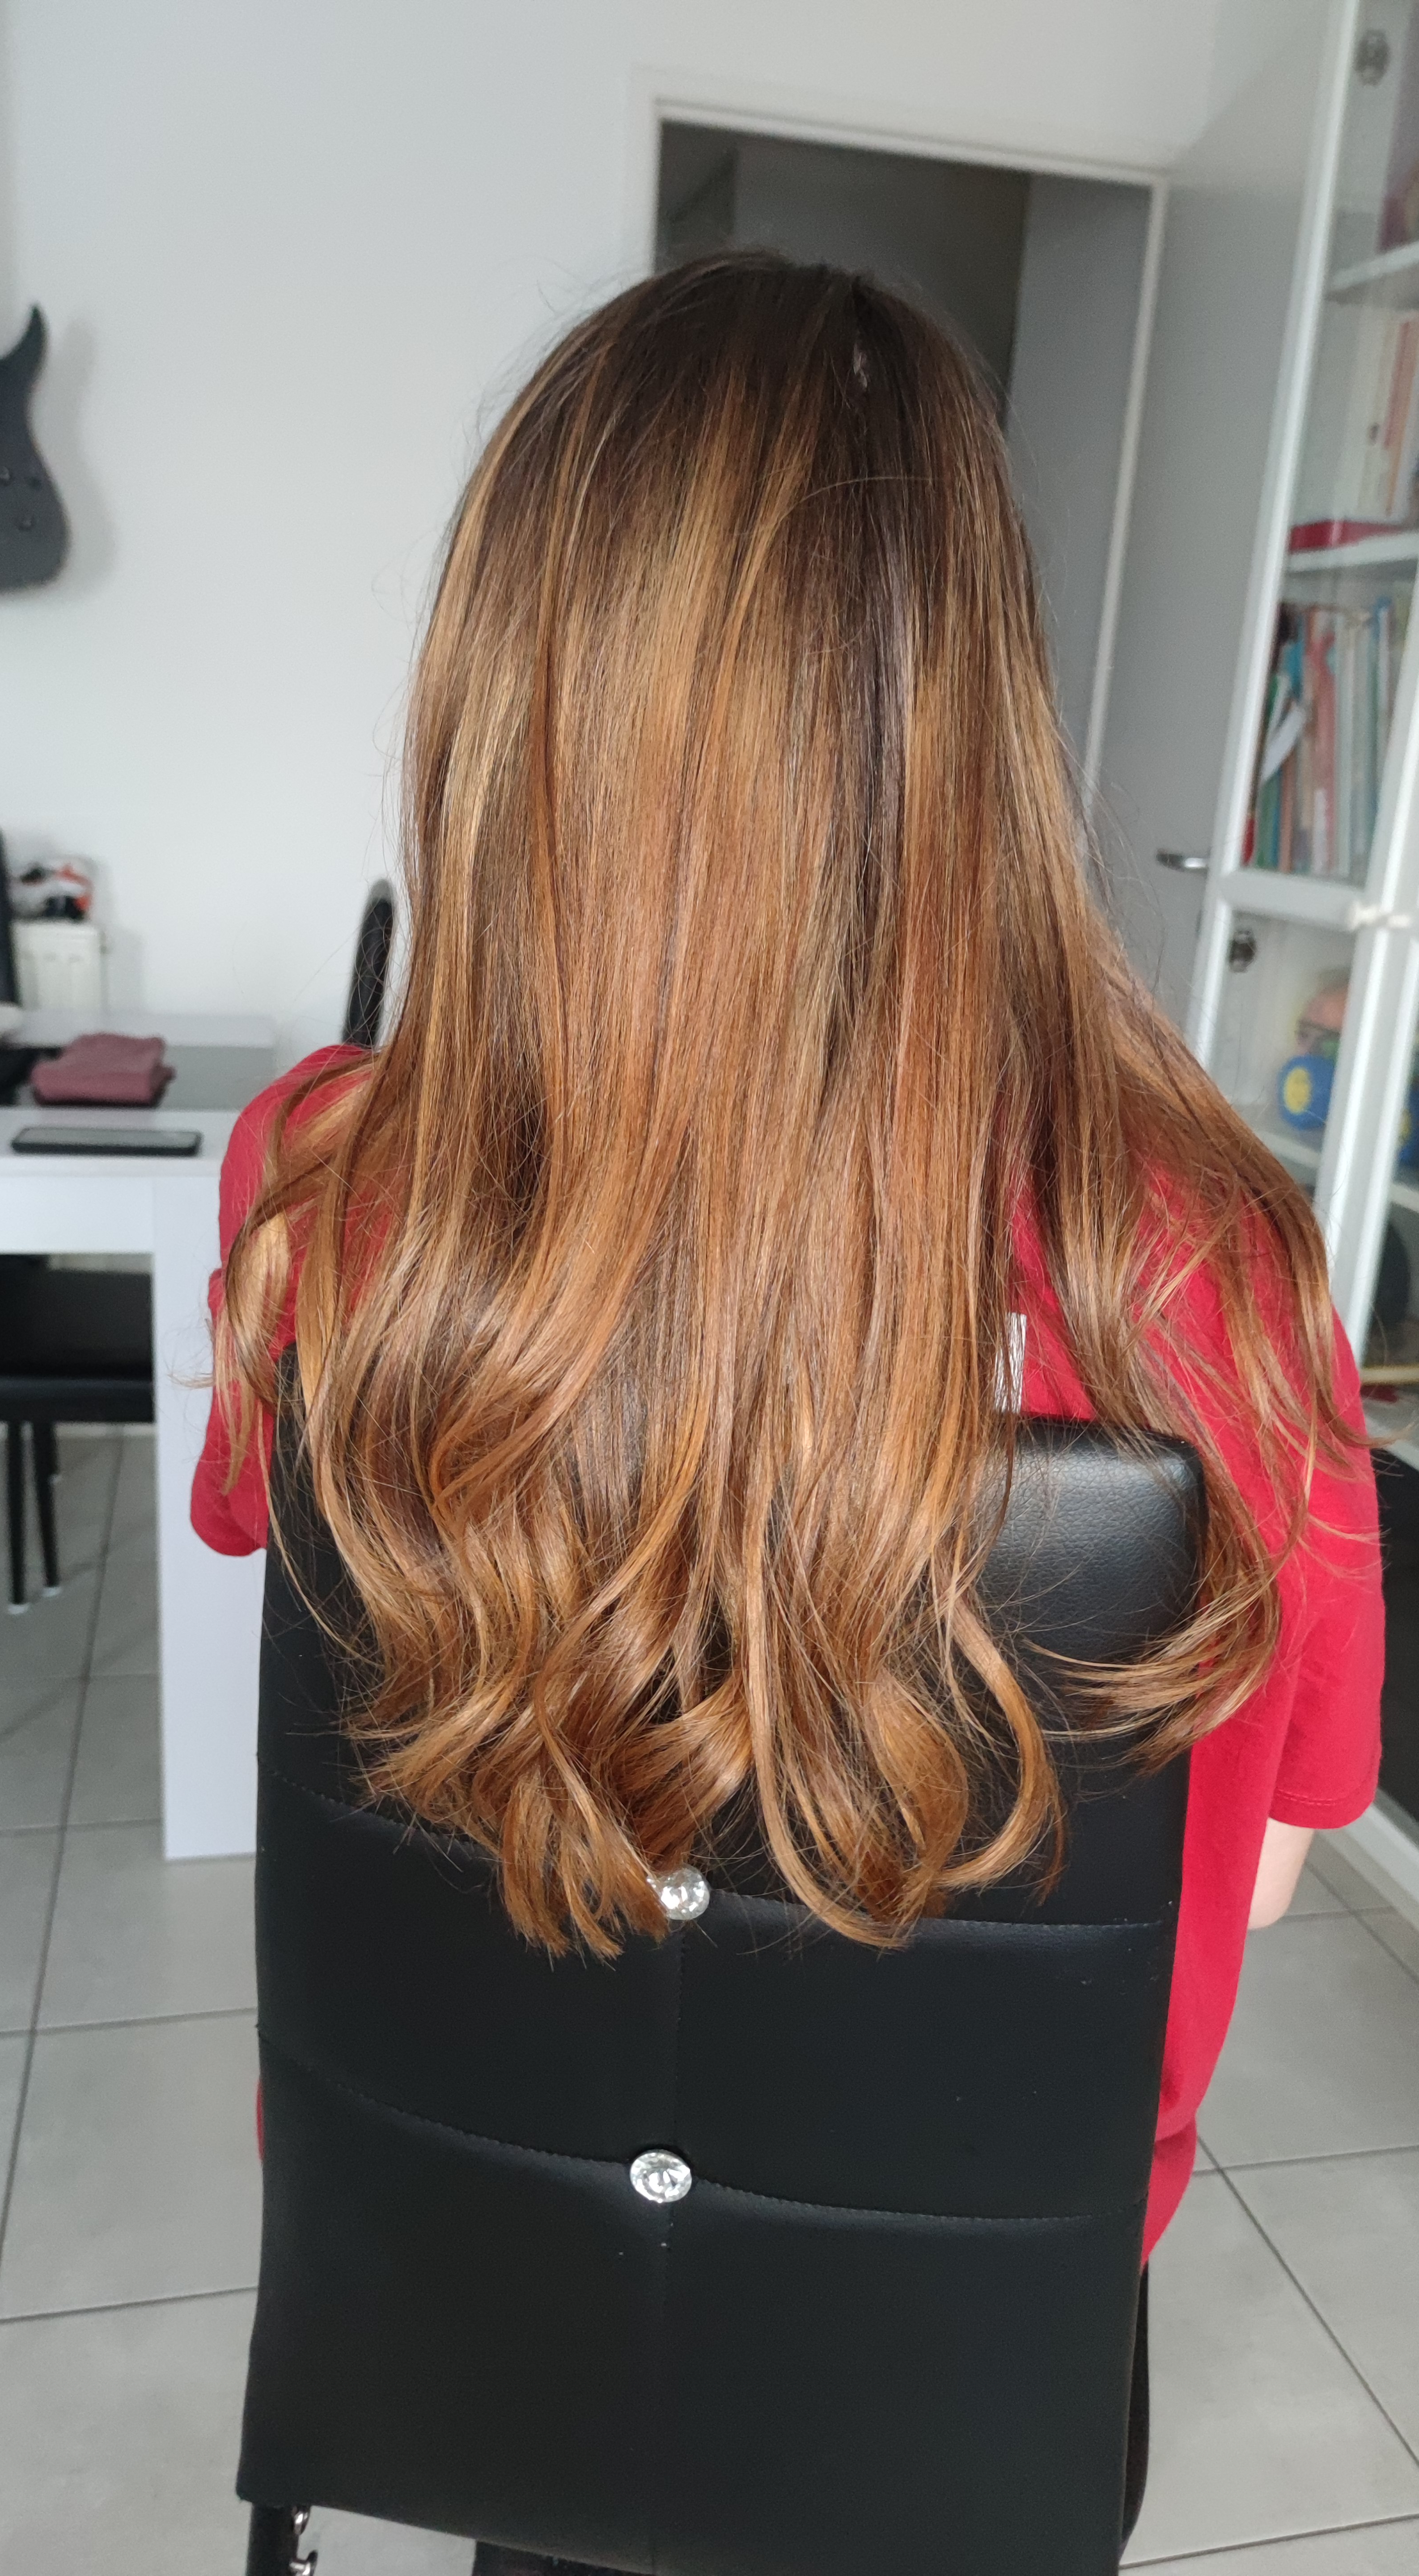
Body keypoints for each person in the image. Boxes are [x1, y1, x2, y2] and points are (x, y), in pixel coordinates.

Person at [193, 253, 1382, 2563]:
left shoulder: (328, 1183)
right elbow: (1241, 1862)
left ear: (515, 702)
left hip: (488, 2276)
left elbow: (315, 1625)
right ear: (974, 716)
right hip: (959, 2340)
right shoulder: (1216, 1275)